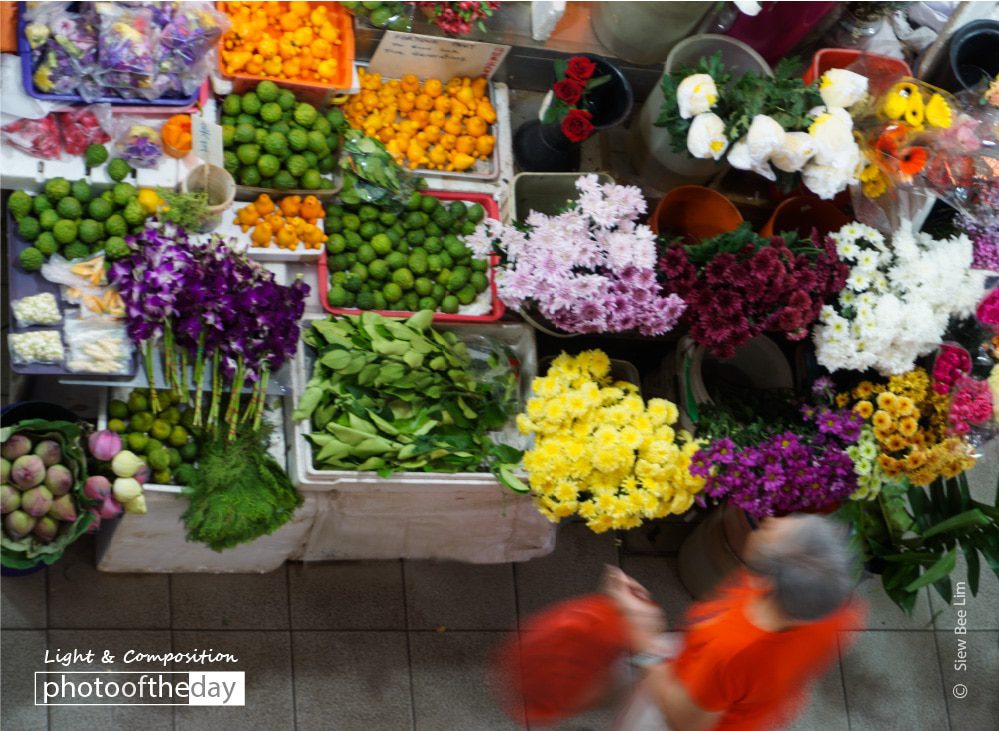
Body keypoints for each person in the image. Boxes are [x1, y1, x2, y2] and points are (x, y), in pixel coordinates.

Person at [607, 513, 865, 731]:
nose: (771, 520)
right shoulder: (835, 607)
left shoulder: (730, 650)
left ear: (764, 583)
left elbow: (684, 720)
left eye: (774, 530)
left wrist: (645, 640)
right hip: (749, 701)